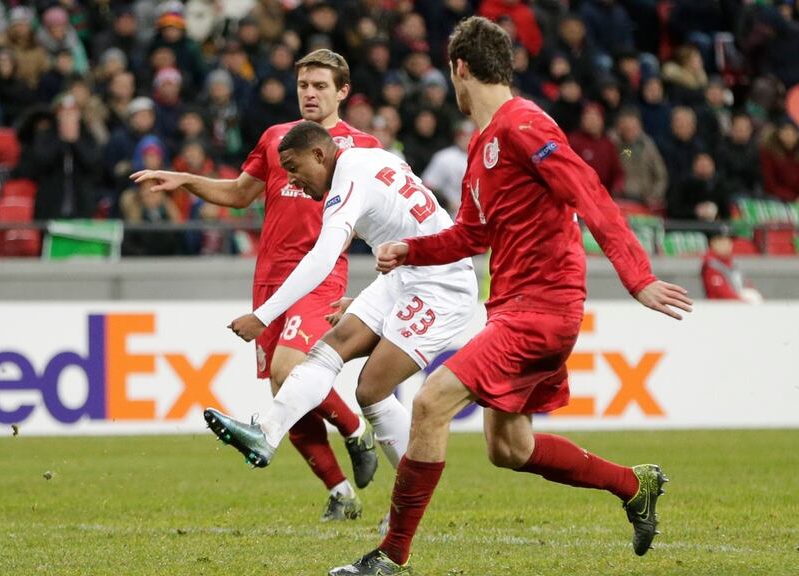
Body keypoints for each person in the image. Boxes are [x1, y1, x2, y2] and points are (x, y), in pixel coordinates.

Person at [331, 18, 693, 575]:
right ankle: (634, 485)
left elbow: (587, 191)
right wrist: (411, 250)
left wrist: (636, 275)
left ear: (460, 69)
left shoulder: (524, 124)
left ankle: (390, 557)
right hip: (514, 308)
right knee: (509, 447)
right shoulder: (482, 146)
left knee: (429, 404)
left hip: (542, 309)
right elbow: (472, 235)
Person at [131, 50, 380, 521]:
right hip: (268, 280)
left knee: (290, 371)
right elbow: (240, 194)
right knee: (285, 397)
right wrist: (186, 180)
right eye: (304, 84)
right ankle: (342, 493)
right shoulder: (275, 139)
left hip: (321, 275)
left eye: (321, 85)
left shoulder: (362, 147)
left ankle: (355, 432)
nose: (310, 92)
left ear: (342, 91)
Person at [203, 120, 477, 520]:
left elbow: (320, 258)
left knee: (371, 389)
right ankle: (266, 433)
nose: (293, 180)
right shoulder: (375, 158)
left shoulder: (345, 181)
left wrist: (263, 316)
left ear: (320, 154)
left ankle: (412, 500)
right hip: (405, 274)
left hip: (441, 284)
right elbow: (409, 217)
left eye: (295, 168)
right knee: (328, 349)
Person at [701, 225, 763, 303]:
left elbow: (746, 284)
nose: (727, 244)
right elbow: (722, 293)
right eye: (722, 241)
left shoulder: (733, 263)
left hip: (737, 306)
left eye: (729, 240)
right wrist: (744, 301)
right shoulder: (711, 265)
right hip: (720, 309)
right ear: (713, 243)